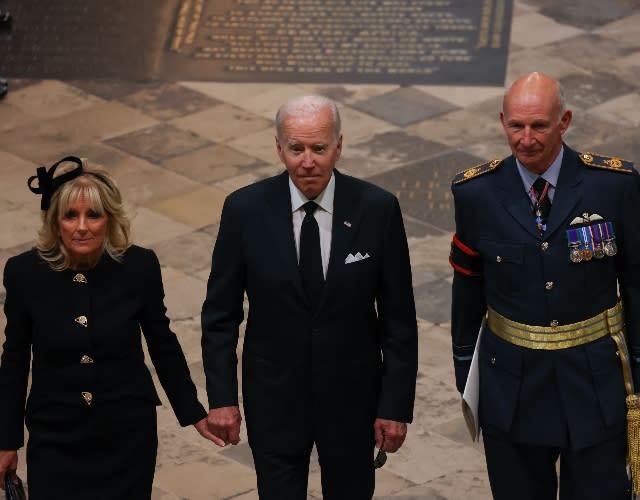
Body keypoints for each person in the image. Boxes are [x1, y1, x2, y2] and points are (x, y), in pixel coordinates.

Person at [201, 95, 418, 499]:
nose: (307, 161)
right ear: (278, 147)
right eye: (296, 148)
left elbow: (398, 319)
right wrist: (222, 399)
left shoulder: (377, 209)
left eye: (319, 149)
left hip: (353, 400)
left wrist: (394, 406)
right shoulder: (244, 210)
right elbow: (220, 314)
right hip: (274, 398)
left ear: (339, 145)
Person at [449, 71, 640, 500]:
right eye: (516, 125)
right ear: (502, 120)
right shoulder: (475, 194)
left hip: (594, 380)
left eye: (539, 125)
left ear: (564, 121)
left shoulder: (612, 186)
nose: (526, 138)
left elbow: (635, 283)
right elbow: (467, 292)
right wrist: (466, 373)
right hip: (511, 385)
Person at [0, 156, 217, 499]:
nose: (82, 226)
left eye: (94, 215)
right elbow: (13, 361)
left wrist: (193, 412)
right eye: (71, 215)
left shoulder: (139, 266)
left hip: (125, 433)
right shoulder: (24, 273)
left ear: (110, 219)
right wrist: (6, 441)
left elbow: (163, 344)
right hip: (55, 435)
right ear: (55, 222)